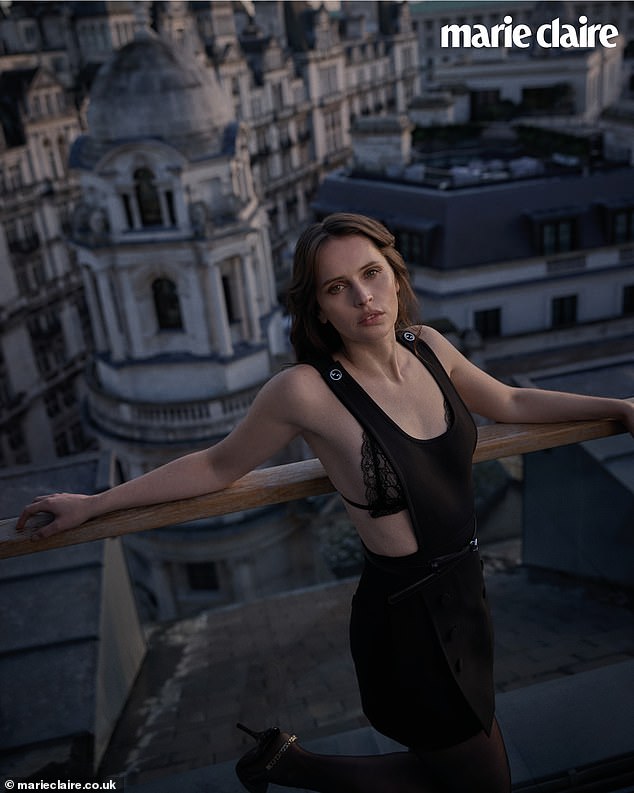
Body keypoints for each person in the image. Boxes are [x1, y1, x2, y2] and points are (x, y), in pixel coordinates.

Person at [18, 213, 634, 793]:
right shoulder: (306, 390)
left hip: (468, 594)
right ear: (318, 307)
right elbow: (216, 465)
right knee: (484, 781)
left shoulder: (430, 347)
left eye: (371, 274)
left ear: (395, 274)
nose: (363, 298)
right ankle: (294, 766)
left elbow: (511, 403)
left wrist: (619, 409)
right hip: (406, 618)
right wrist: (95, 504)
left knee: (466, 773)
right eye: (338, 287)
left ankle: (283, 760)